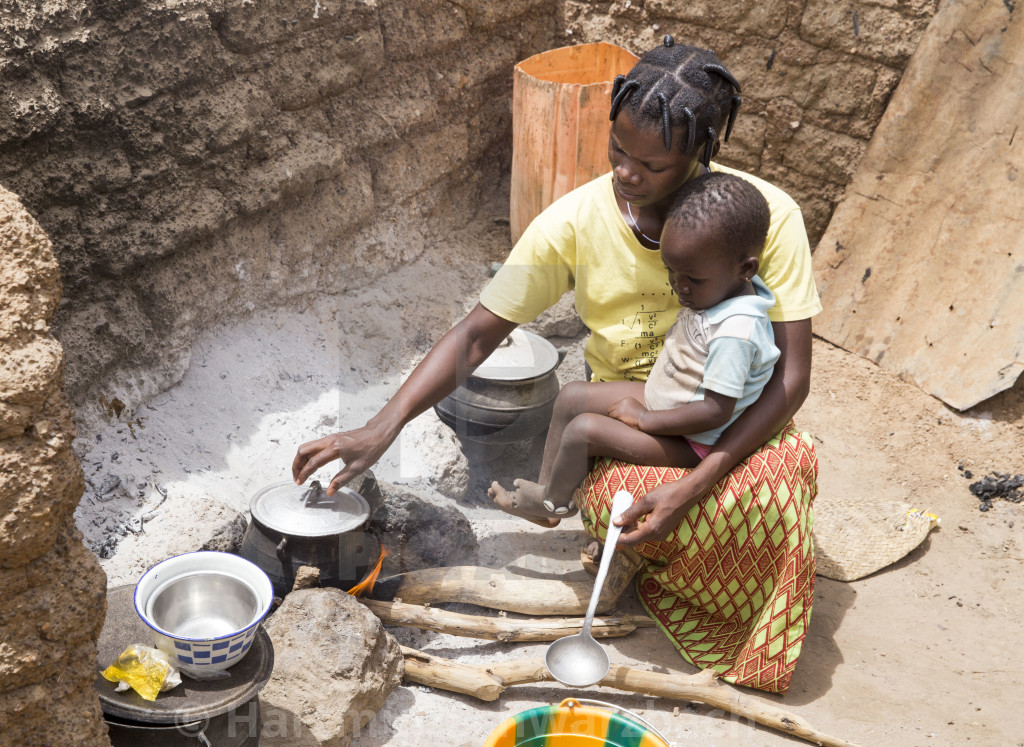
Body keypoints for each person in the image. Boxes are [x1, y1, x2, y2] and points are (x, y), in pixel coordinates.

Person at [294, 36, 820, 693]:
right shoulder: (574, 222)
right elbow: (480, 333)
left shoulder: (760, 222)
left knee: (776, 484)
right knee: (626, 502)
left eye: (651, 165)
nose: (626, 174)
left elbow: (791, 380)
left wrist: (693, 483)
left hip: (731, 416)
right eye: (618, 150)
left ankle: (734, 626)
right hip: (629, 418)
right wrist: (384, 425)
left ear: (700, 153)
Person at [487, 172, 780, 524]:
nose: (678, 287)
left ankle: (554, 505)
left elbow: (716, 411)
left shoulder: (736, 332)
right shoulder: (724, 283)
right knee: (572, 397)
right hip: (668, 400)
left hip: (694, 440)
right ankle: (550, 493)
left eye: (693, 279)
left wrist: (645, 419)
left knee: (583, 431)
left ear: (745, 268)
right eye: (671, 271)